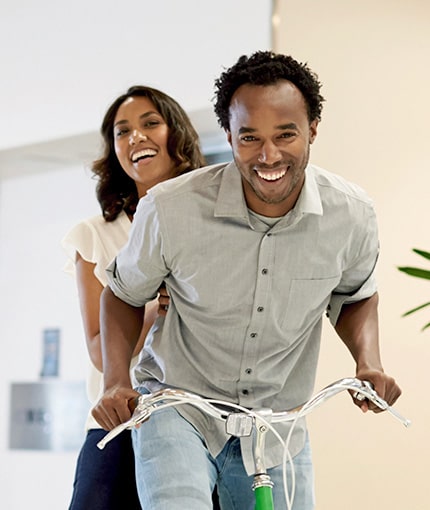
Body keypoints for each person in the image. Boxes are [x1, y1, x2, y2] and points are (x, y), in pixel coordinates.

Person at [92, 52, 402, 510]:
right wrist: (115, 381)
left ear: (313, 129)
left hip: (277, 423)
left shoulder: (351, 215)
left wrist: (368, 362)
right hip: (178, 408)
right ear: (230, 137)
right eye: (250, 137)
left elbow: (354, 295)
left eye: (286, 135)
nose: (268, 155)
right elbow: (122, 294)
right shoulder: (171, 208)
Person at [61, 85, 206, 510]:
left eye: (150, 123)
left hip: (200, 424)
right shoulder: (95, 235)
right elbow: (99, 353)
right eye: (122, 132)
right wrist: (154, 309)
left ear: (176, 133)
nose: (135, 137)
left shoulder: (214, 226)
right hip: (120, 424)